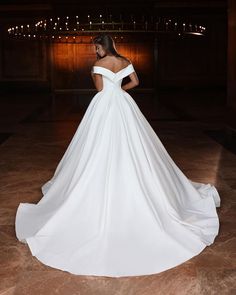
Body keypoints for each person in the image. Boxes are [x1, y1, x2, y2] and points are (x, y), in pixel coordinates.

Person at [15, 33, 220, 278]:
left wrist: (100, 79)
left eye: (96, 47)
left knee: (96, 143)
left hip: (104, 105)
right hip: (124, 103)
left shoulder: (99, 65)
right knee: (135, 143)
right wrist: (120, 89)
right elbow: (135, 82)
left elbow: (100, 89)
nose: (96, 50)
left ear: (100, 46)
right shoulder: (124, 61)